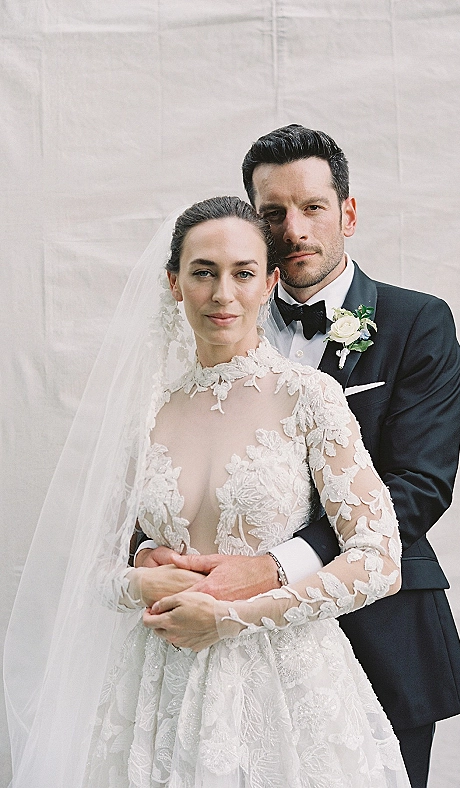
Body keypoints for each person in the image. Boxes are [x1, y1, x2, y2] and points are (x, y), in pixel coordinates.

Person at [5, 195, 411, 787]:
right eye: (203, 273)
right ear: (174, 282)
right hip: (155, 688)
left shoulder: (310, 397)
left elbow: (380, 559)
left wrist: (236, 616)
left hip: (282, 686)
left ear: (270, 282)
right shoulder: (147, 411)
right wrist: (138, 579)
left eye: (243, 273)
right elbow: (93, 564)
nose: (223, 294)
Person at [136, 126, 460, 788]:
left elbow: (419, 485)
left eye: (313, 207)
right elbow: (158, 469)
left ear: (348, 213)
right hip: (212, 651)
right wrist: (152, 554)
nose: (293, 229)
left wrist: (270, 569)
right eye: (273, 213)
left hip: (382, 629)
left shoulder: (416, 324)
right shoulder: (216, 316)